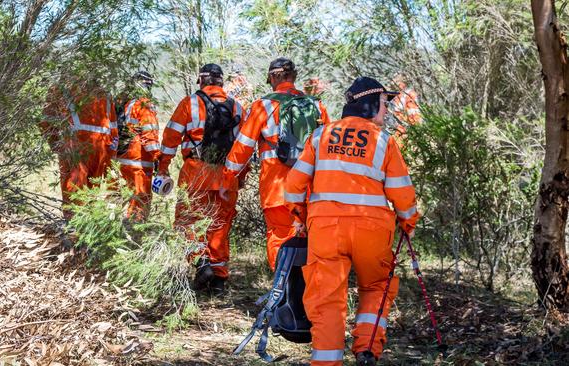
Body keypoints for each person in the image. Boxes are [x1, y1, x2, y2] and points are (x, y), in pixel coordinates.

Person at [283, 77, 420, 365]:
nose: (387, 111)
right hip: (372, 229)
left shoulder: (321, 136)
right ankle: (367, 350)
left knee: (327, 297)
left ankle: (327, 361)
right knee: (377, 286)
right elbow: (403, 195)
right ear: (369, 105)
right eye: (384, 104)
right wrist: (408, 221)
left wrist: (301, 214)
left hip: (325, 230)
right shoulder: (384, 141)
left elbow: (293, 185)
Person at [221, 57, 330, 271]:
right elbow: (328, 147)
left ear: (272, 77)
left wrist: (228, 178)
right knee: (311, 242)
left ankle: (283, 294)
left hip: (277, 190)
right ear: (294, 76)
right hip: (311, 189)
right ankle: (307, 295)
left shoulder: (263, 106)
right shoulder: (316, 105)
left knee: (280, 238)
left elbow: (242, 147)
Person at [158, 63, 245, 295]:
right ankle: (218, 280)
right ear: (221, 82)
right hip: (227, 176)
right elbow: (245, 149)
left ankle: (201, 263)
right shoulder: (237, 108)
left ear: (201, 80)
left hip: (196, 172)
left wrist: (162, 168)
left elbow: (170, 138)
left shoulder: (190, 104)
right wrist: (240, 178)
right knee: (221, 225)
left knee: (189, 221)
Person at [41, 78, 118, 220]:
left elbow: (46, 120)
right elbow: (114, 129)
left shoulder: (60, 87)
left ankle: (74, 228)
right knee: (91, 192)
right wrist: (111, 156)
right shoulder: (104, 93)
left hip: (75, 144)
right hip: (100, 147)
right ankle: (88, 228)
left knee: (74, 191)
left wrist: (55, 144)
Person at [114, 71, 161, 220]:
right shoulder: (143, 105)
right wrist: (158, 158)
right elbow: (149, 135)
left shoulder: (125, 102)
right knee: (140, 199)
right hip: (138, 161)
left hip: (121, 159)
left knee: (122, 197)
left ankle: (115, 228)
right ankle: (135, 232)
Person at [391, 74, 422, 141]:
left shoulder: (409, 94)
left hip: (407, 132)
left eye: (395, 78)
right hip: (397, 131)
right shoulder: (396, 96)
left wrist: (413, 134)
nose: (392, 81)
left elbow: (415, 117)